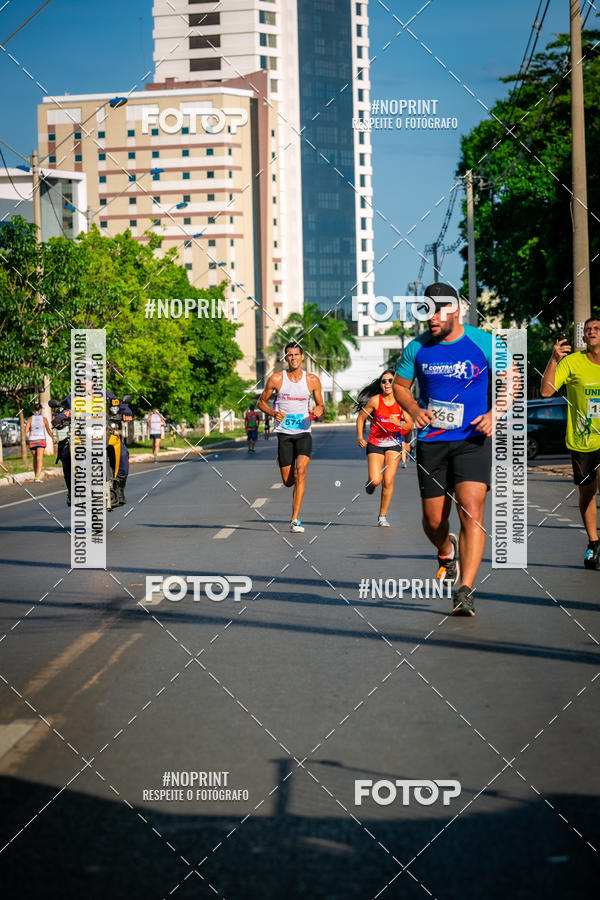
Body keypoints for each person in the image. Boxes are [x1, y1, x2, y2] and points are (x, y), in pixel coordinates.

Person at [393, 282, 518, 617]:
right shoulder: (416, 348)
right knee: (434, 521)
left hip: (472, 439)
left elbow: (513, 378)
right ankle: (445, 548)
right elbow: (401, 387)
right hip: (432, 442)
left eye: (438, 309)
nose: (431, 317)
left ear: (456, 309)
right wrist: (414, 410)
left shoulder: (485, 342)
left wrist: (495, 413)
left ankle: (465, 589)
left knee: (472, 510)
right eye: (426, 309)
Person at [540, 318, 600, 569]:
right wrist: (554, 359)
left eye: (597, 329)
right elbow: (546, 391)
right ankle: (594, 543)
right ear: (583, 338)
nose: (592, 332)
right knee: (588, 492)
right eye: (588, 330)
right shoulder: (572, 362)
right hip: (582, 440)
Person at [258, 341, 324, 532]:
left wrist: (319, 409)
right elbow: (261, 402)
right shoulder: (277, 379)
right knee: (288, 481)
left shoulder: (312, 380)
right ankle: (283, 461)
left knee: (301, 472)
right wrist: (273, 413)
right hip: (284, 434)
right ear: (285, 358)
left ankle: (295, 519)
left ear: (302, 357)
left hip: (304, 432)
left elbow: (320, 404)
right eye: (290, 355)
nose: (293, 358)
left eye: (296, 354)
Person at [53, 382, 132, 507]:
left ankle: (119, 488)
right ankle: (72, 490)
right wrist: (59, 418)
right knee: (66, 454)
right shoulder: (73, 397)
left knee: (122, 452)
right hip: (80, 434)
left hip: (104, 432)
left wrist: (127, 413)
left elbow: (120, 405)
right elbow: (63, 411)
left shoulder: (105, 394)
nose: (85, 381)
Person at [356, 370, 414, 526]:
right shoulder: (375, 401)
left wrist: (399, 424)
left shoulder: (401, 402)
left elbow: (410, 425)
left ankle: (382, 516)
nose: (387, 384)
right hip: (375, 444)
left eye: (390, 380)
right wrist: (360, 437)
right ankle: (371, 483)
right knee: (376, 480)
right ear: (381, 384)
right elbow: (361, 418)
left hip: (393, 444)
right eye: (384, 381)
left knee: (388, 481)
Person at [25, 402, 54, 482]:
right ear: (40, 410)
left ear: (34, 410)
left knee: (34, 458)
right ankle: (37, 478)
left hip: (32, 440)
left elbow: (26, 430)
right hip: (41, 440)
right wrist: (53, 438)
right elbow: (48, 430)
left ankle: (36, 476)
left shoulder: (30, 419)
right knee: (39, 459)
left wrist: (31, 428)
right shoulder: (44, 419)